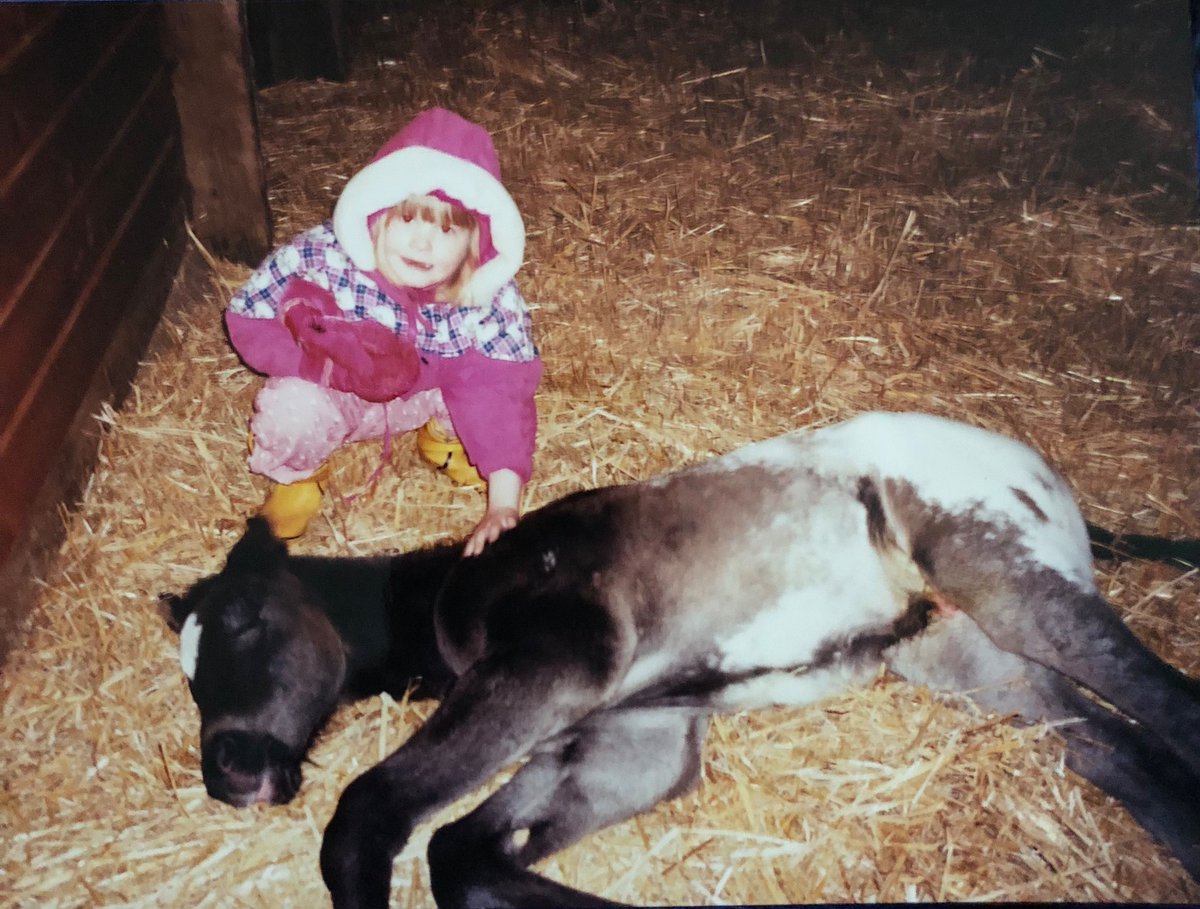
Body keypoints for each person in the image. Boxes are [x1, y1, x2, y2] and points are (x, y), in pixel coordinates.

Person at [224, 108, 541, 556]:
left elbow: (500, 390)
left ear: (475, 245)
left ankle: (443, 440)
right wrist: (325, 365)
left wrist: (504, 504)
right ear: (377, 215)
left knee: (483, 385)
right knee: (289, 409)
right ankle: (299, 476)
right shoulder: (323, 260)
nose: (421, 244)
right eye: (407, 220)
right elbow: (249, 316)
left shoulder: (484, 300)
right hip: (342, 390)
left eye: (446, 230)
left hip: (427, 392)